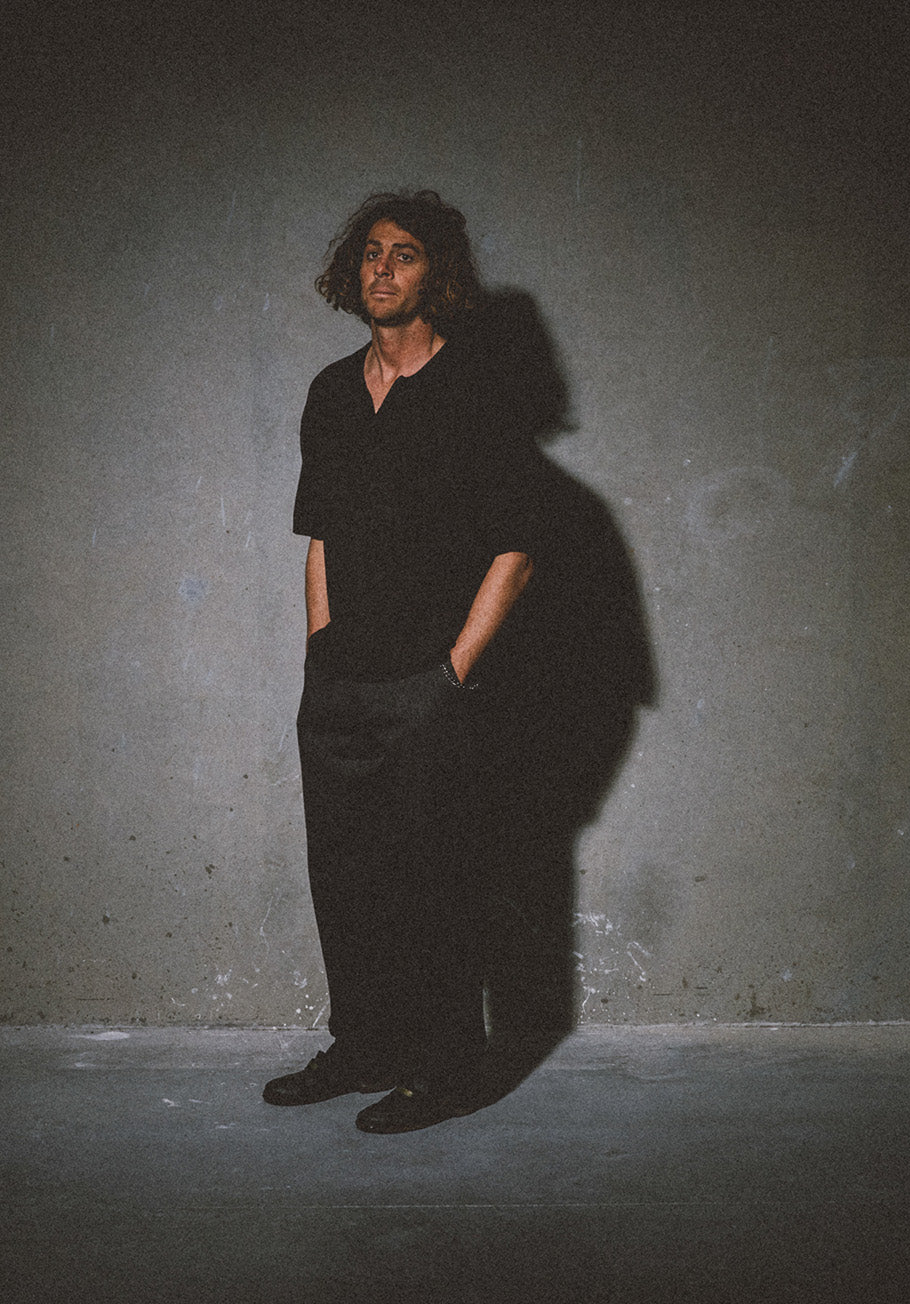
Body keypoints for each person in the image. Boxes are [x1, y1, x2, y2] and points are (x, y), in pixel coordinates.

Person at [262, 190, 541, 1133]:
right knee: (345, 878)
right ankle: (365, 1046)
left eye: (405, 253)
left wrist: (452, 673)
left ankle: (445, 1068)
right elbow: (321, 538)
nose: (382, 268)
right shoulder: (332, 393)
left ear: (438, 273)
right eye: (372, 252)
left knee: (433, 882)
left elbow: (517, 549)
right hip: (341, 679)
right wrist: (319, 654)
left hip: (430, 685)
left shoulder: (479, 390)